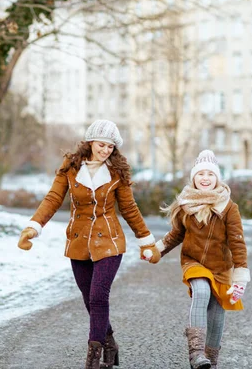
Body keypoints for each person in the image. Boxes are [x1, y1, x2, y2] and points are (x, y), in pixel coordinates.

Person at [17, 119, 160, 369]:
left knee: (98, 296)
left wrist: (146, 241)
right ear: (91, 142)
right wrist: (34, 226)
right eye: (102, 145)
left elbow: (129, 208)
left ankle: (93, 359)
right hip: (79, 242)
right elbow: (53, 198)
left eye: (111, 147)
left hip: (110, 243)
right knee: (88, 299)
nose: (106, 151)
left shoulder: (117, 172)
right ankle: (110, 343)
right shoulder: (71, 167)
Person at [153, 150, 250, 369]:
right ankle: (196, 353)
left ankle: (210, 362)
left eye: (210, 174)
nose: (205, 178)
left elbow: (237, 242)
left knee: (217, 313)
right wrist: (158, 249)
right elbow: (176, 234)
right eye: (200, 174)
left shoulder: (228, 208)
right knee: (202, 291)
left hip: (221, 268)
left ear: (217, 178)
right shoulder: (186, 204)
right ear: (193, 178)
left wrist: (240, 275)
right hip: (193, 262)